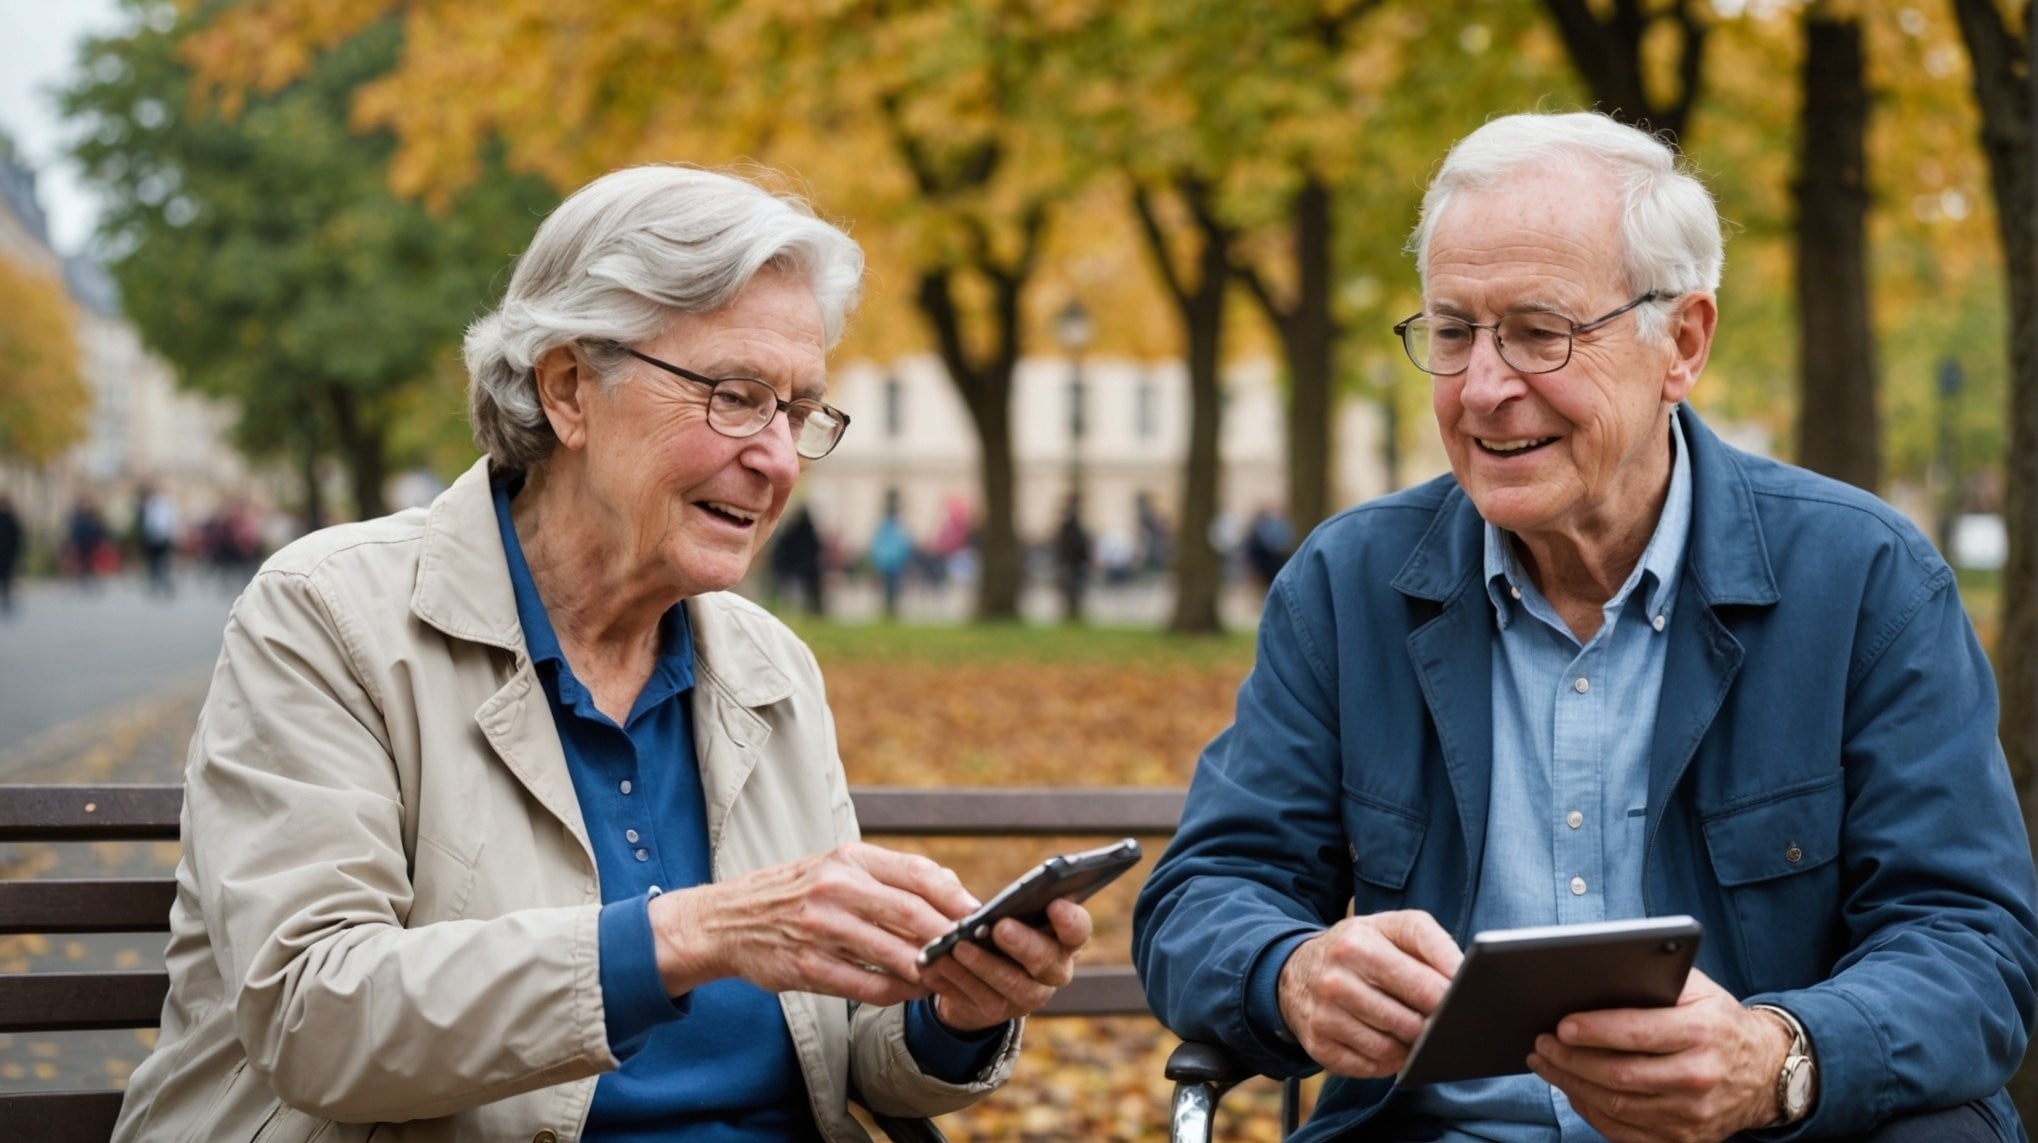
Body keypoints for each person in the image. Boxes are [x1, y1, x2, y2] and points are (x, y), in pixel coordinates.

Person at [114, 165, 1091, 1143]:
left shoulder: (766, 663)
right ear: (570, 389)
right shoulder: (330, 616)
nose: (780, 458)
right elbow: (312, 1020)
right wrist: (692, 935)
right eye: (737, 396)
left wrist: (952, 1014)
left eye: (797, 411)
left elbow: (839, 1047)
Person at [1133, 111, 2038, 1142]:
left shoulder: (1865, 578)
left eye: (1537, 331)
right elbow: (1203, 896)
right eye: (1453, 332)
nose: (1482, 388)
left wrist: (1778, 1055)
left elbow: (1970, 947)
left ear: (1681, 343)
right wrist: (1287, 973)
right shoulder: (1348, 585)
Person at [770, 500, 827, 615]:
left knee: (790, 593)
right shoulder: (811, 532)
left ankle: (794, 611)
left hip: (794, 566)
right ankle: (814, 612)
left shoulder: (791, 531)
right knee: (810, 594)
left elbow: (782, 548)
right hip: (807, 567)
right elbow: (818, 548)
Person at [1052, 492, 1091, 623]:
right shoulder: (1071, 520)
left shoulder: (1070, 519)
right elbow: (1072, 542)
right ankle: (1071, 614)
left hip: (1073, 561)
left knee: (1073, 589)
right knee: (1072, 589)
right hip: (1072, 561)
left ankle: (1072, 613)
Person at [0, 492, 21, 615]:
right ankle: (6, 601)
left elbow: (17, 539)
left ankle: (6, 601)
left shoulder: (12, 520)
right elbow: (17, 539)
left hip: (7, 554)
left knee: (6, 580)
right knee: (6, 580)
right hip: (8, 554)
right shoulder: (12, 520)